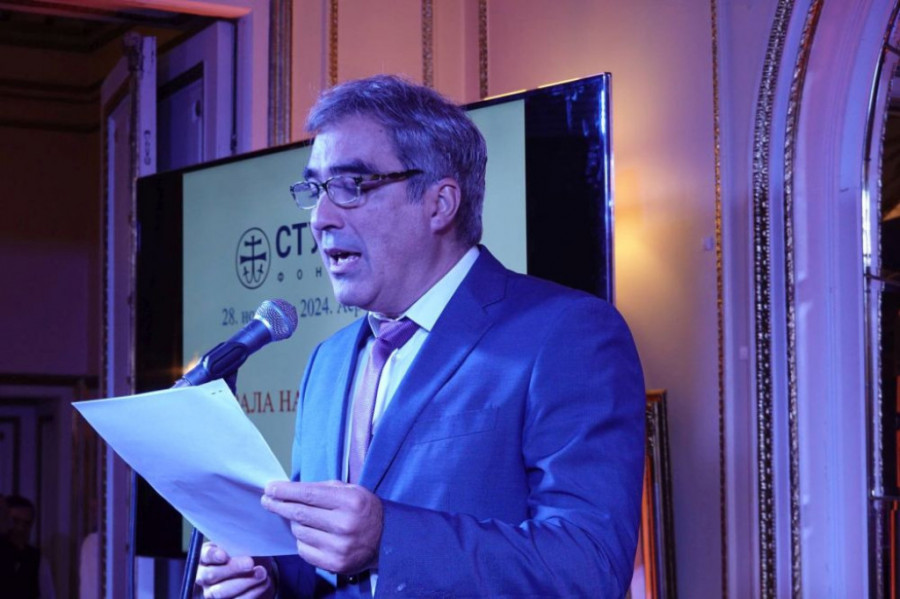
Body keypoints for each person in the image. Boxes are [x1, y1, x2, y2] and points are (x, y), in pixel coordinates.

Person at [196, 74, 645, 598]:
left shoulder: (567, 334)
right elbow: (327, 567)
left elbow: (589, 567)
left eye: (351, 186)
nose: (320, 218)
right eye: (315, 190)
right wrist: (266, 577)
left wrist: (389, 537)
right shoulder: (327, 361)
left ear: (440, 203)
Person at [0, 494, 56, 599]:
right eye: (15, 521)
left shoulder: (37, 560)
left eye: (26, 523)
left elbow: (47, 595)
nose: (20, 528)